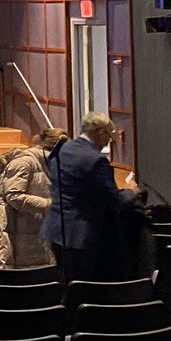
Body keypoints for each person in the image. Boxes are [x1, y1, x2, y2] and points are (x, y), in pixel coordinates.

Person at [41, 112, 139, 282]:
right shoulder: (95, 160)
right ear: (100, 132)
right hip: (83, 236)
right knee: (86, 287)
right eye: (110, 135)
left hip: (57, 230)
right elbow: (115, 201)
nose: (110, 141)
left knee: (67, 285)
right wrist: (131, 191)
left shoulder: (62, 149)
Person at [0, 127, 67, 270]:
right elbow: (14, 196)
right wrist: (50, 204)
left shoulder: (46, 164)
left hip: (26, 228)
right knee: (7, 279)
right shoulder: (25, 163)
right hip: (6, 226)